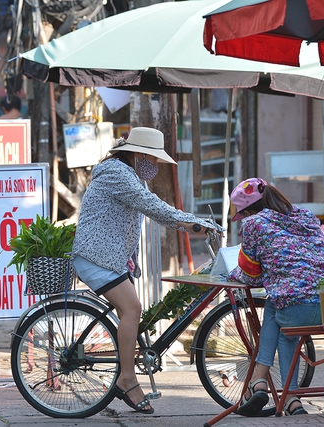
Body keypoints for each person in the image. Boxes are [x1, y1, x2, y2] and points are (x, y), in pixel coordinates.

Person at [71, 127, 213, 414]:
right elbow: (153, 207)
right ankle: (126, 378)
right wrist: (190, 222)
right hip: (95, 257)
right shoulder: (116, 172)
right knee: (132, 309)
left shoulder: (129, 174)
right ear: (138, 154)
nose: (157, 165)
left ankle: (128, 373)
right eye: (155, 159)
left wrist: (186, 223)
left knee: (130, 313)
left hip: (109, 257)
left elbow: (151, 209)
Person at [227, 178, 324, 416]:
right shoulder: (307, 216)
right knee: (276, 304)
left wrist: (231, 272)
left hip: (297, 309)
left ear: (249, 210)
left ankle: (264, 382)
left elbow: (251, 277)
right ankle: (289, 400)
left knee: (282, 319)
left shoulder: (254, 223)